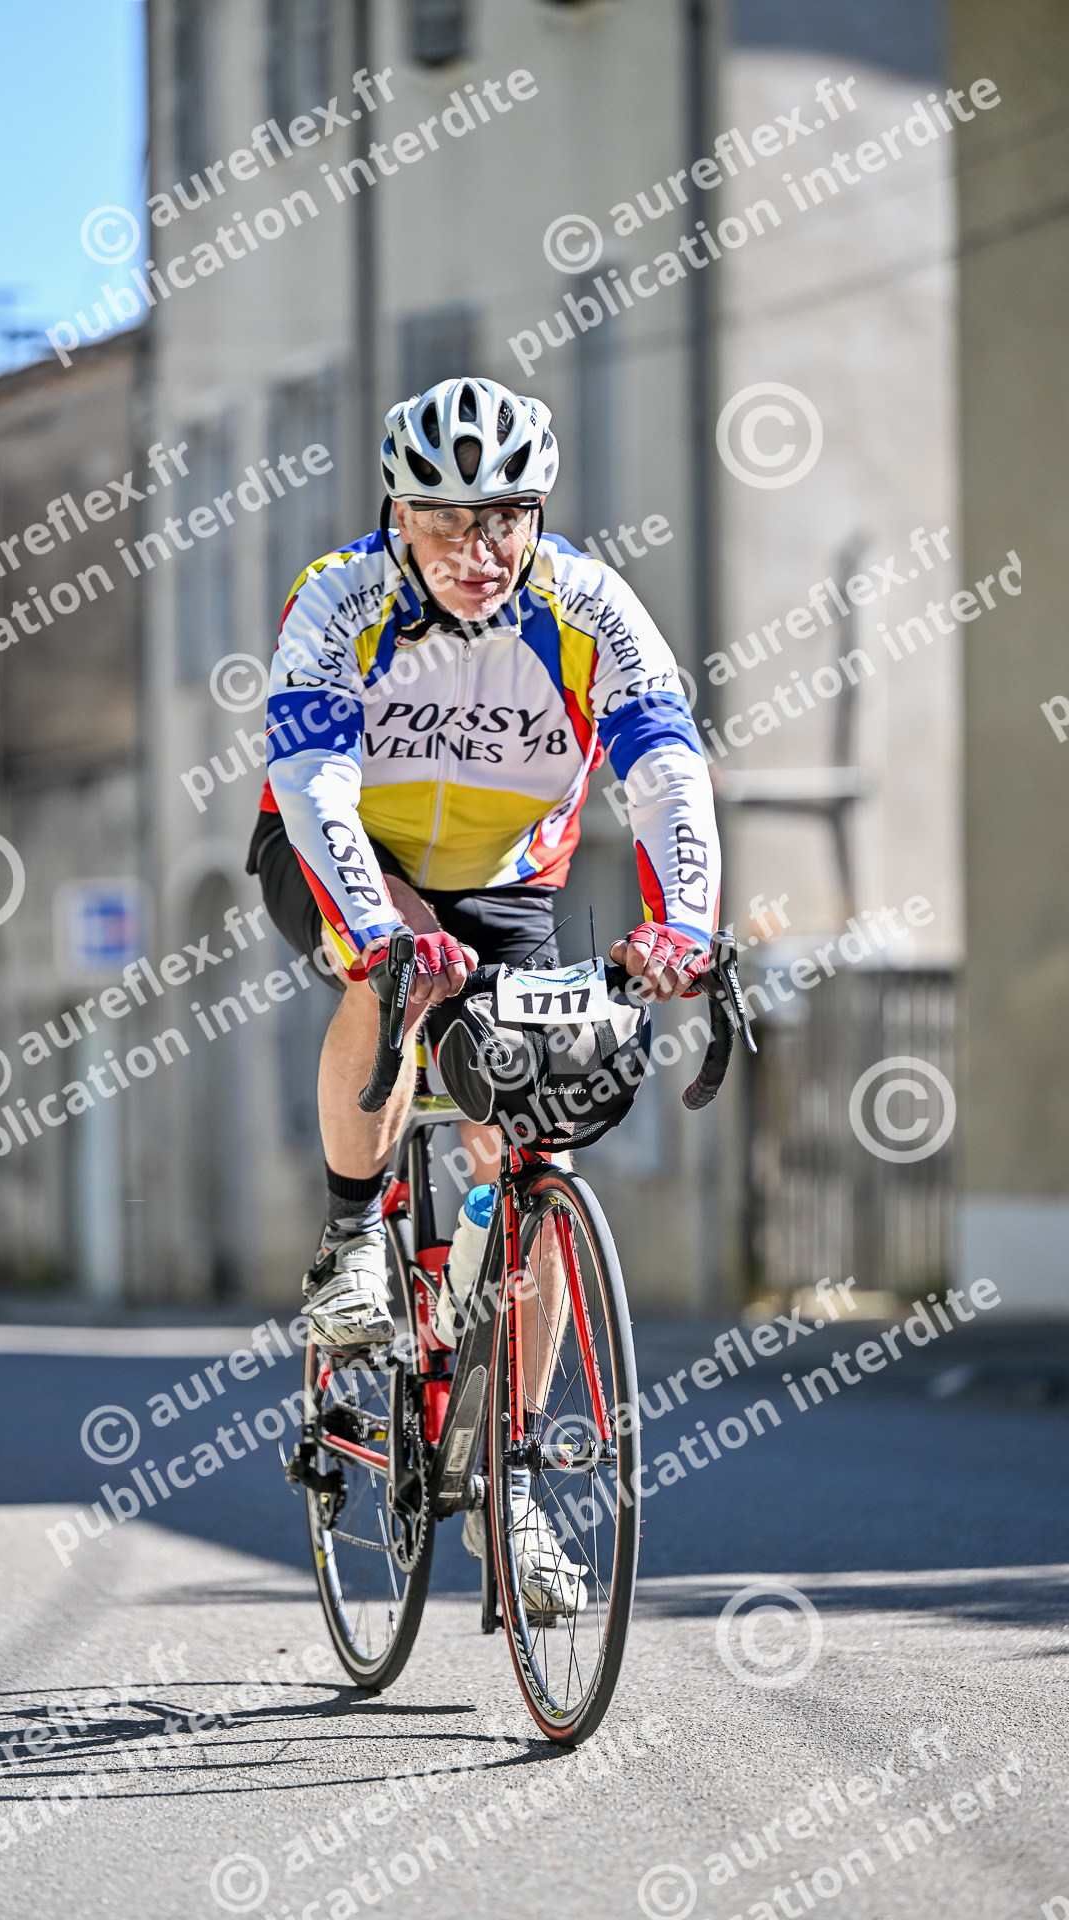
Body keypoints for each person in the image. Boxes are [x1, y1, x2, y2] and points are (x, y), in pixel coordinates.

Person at [248, 376, 720, 1610]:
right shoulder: (336, 597)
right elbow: (313, 781)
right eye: (446, 520)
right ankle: (353, 1234)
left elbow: (664, 767)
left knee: (529, 1143)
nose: (479, 548)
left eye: (504, 517)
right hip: (345, 852)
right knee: (390, 974)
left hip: (508, 876)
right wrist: (378, 922)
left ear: (537, 512)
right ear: (396, 514)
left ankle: (508, 1477)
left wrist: (684, 921)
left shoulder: (587, 606)